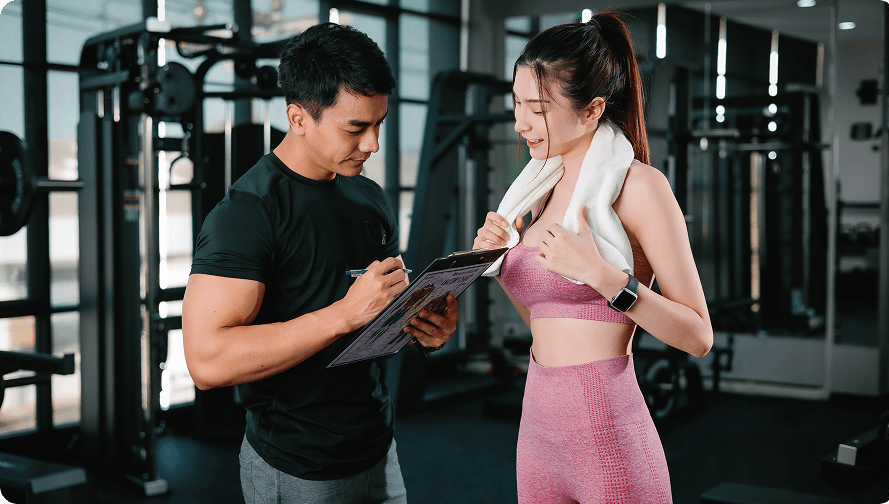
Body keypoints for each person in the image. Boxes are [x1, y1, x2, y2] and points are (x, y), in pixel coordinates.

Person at [181, 22, 458, 504]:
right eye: (355, 128)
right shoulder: (248, 213)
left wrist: (420, 326)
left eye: (380, 124)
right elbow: (206, 361)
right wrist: (343, 314)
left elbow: (373, 322)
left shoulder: (369, 198)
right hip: (298, 466)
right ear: (298, 117)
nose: (372, 144)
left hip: (377, 448)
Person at [473, 12, 713, 504]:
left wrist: (605, 278)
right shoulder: (537, 193)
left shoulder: (640, 188)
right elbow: (545, 317)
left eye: (537, 109)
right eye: (516, 104)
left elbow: (698, 336)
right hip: (538, 434)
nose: (520, 123)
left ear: (592, 109)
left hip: (608, 435)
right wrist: (500, 266)